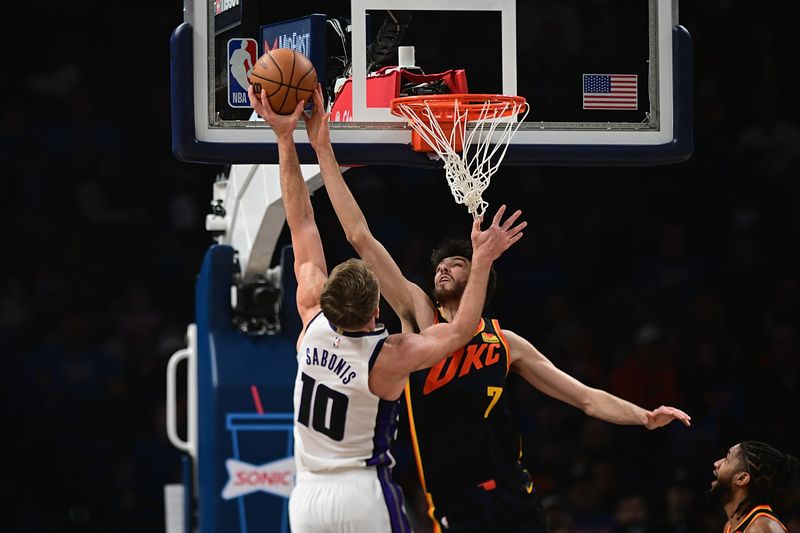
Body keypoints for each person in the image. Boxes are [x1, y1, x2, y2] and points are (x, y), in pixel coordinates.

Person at [300, 83, 694, 532]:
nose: (444, 270)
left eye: (457, 264)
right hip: (453, 498)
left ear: (481, 278)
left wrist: (643, 416)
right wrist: (323, 148)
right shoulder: (418, 316)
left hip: (512, 489)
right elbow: (360, 237)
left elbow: (584, 397)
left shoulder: (505, 343)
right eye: (440, 266)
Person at [247, 85, 526, 533]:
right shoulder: (389, 358)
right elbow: (461, 331)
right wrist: (484, 261)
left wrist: (284, 138)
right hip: (361, 492)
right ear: (376, 307)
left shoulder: (311, 318)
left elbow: (300, 223)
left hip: (306, 497)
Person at [710, 441, 799, 533]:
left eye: (727, 460)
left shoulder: (761, 527)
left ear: (742, 478)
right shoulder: (729, 526)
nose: (717, 463)